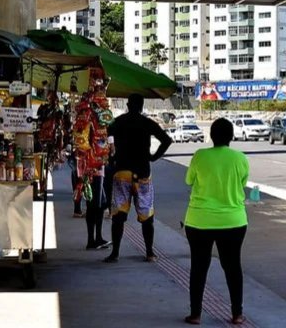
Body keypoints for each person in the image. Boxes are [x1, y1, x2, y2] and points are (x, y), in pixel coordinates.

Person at [183, 118, 250, 325]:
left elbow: (189, 180)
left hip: (199, 221)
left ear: (211, 136)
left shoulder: (199, 156)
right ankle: (237, 314)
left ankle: (195, 314)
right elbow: (243, 183)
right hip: (233, 220)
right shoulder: (240, 158)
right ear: (231, 136)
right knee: (232, 267)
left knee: (198, 267)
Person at [104, 94, 173, 263]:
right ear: (142, 106)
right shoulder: (147, 123)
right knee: (147, 216)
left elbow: (105, 137)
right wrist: (154, 157)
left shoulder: (118, 122)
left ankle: (115, 253)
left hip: (122, 173)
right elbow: (166, 140)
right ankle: (149, 253)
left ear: (128, 105)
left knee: (118, 216)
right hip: (142, 174)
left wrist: (112, 157)